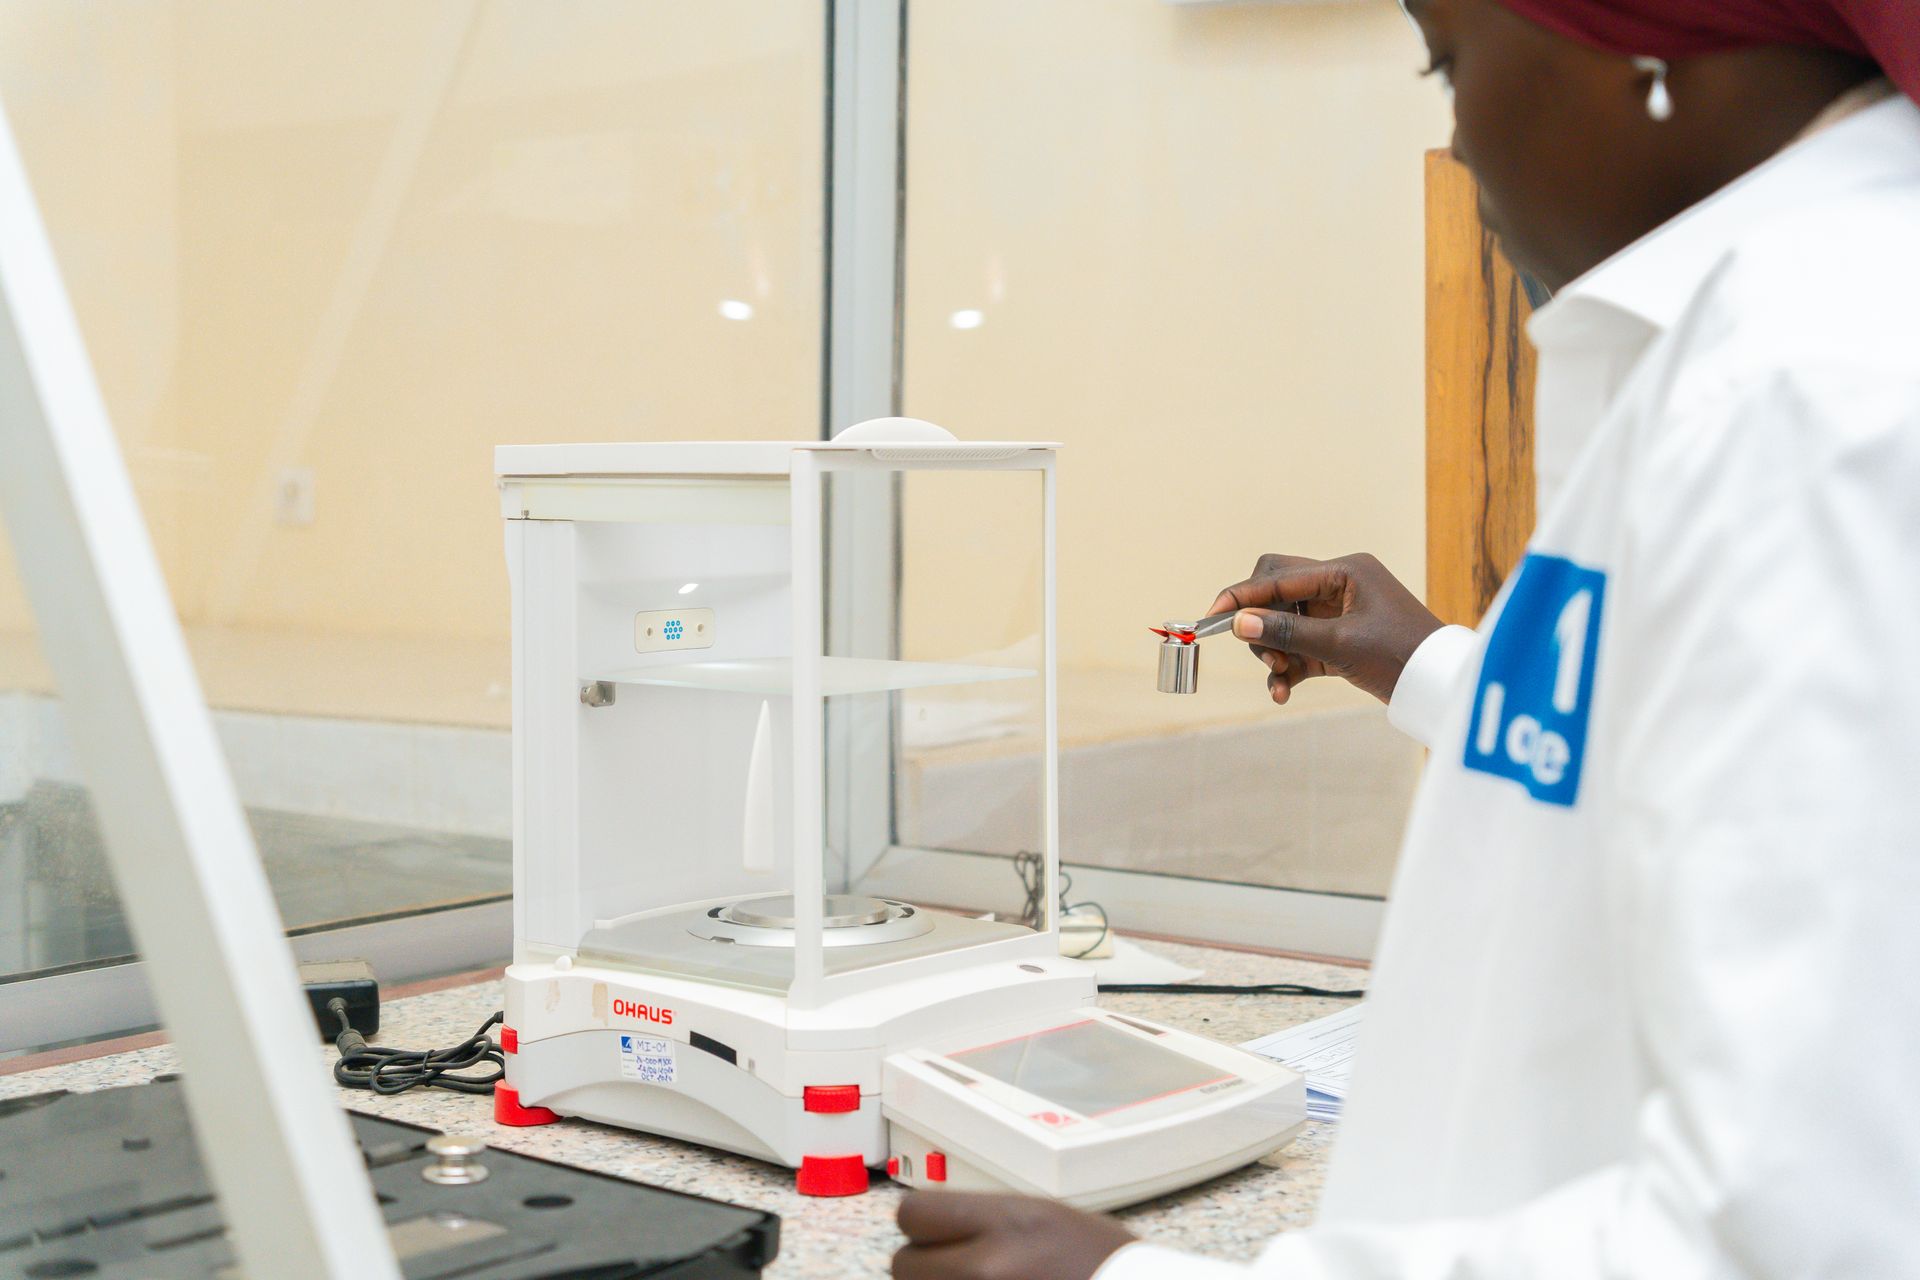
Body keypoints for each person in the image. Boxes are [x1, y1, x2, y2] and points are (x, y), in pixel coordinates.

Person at [892, 1, 1920, 1276]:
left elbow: (1810, 1232)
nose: (1458, 139)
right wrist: (1428, 662)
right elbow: (1708, 753)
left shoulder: (1821, 390)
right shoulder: (1784, 341)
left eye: (1451, 62)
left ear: (1648, 56)